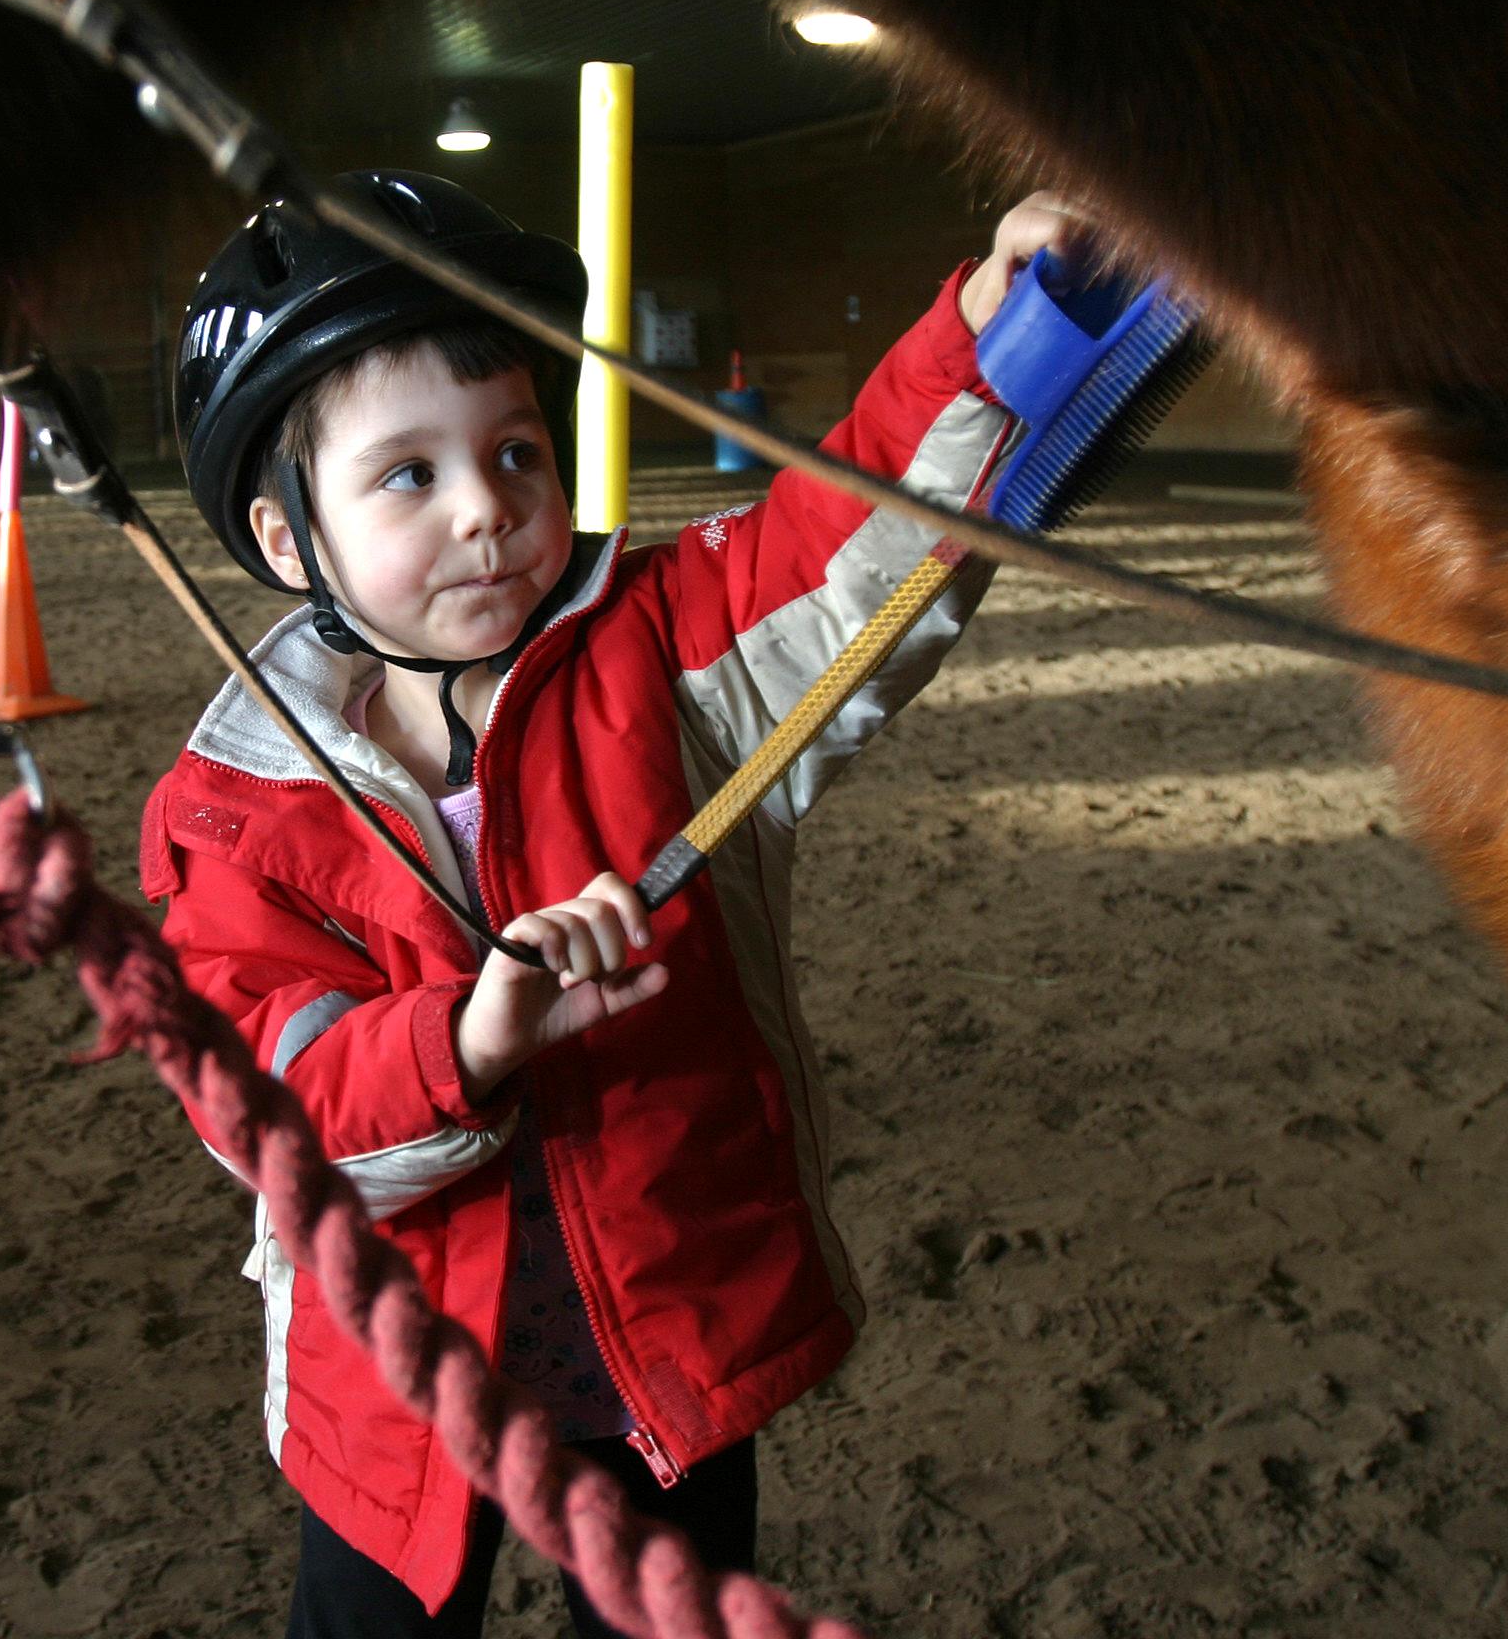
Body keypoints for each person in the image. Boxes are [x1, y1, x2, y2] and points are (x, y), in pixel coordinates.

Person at [144, 169, 1083, 1637]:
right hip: (394, 1394)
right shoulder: (232, 811)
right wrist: (466, 1040)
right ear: (286, 543)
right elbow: (265, 1106)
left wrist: (986, 326)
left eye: (516, 450)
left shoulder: (667, 643)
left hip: (663, 1354)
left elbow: (847, 552)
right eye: (409, 474)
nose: (487, 512)